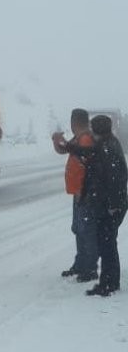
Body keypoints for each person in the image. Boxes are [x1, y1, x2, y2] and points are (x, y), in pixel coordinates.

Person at [55, 114, 128, 296]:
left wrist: (112, 205)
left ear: (97, 130)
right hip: (111, 203)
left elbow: (115, 179)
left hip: (112, 205)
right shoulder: (106, 144)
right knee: (107, 243)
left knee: (107, 244)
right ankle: (109, 282)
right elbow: (86, 152)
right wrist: (69, 146)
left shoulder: (108, 148)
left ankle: (109, 284)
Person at [51, 108, 97, 281]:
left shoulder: (85, 139)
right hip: (79, 192)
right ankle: (81, 263)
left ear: (74, 122)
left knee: (86, 230)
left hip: (84, 193)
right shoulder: (79, 138)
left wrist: (83, 190)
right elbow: (65, 150)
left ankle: (90, 267)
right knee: (79, 229)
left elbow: (81, 157)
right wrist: (57, 141)